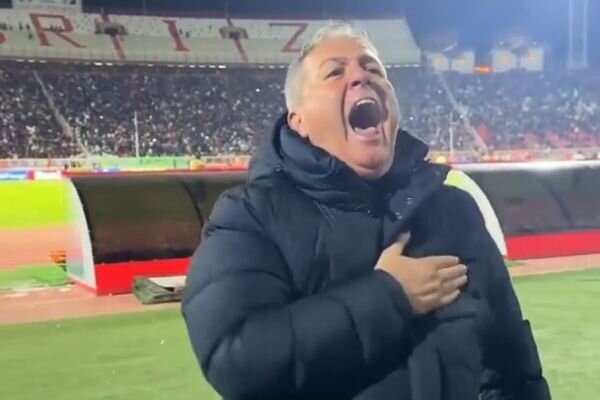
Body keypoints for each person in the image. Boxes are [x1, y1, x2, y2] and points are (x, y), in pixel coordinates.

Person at [182, 23, 551, 400]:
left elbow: (513, 369)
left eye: (373, 68)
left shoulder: (454, 211)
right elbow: (235, 360)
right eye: (335, 72)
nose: (361, 76)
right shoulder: (249, 217)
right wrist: (389, 297)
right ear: (298, 120)